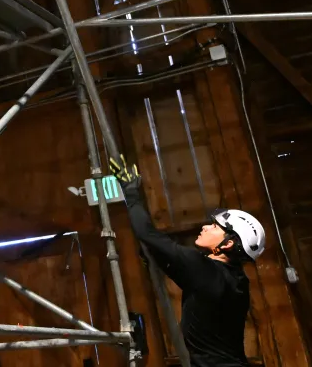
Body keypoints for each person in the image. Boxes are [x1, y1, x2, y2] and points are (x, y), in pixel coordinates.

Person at [110, 156, 266, 367]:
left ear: (227, 244)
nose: (206, 227)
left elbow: (147, 234)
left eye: (215, 227)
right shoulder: (234, 279)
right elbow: (185, 274)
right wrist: (157, 258)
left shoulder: (206, 270)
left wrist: (130, 192)